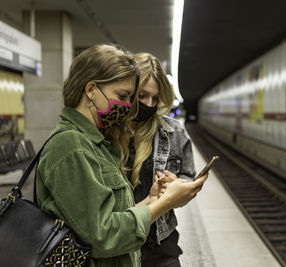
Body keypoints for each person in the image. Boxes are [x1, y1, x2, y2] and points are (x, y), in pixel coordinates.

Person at [35, 44, 208, 267]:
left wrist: (152, 199)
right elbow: (103, 237)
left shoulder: (92, 142)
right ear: (91, 90)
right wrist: (164, 204)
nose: (128, 106)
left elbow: (111, 217)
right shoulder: (73, 145)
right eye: (124, 96)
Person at [126, 52, 195, 267]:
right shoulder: (108, 133)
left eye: (155, 98)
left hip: (161, 245)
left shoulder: (173, 131)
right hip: (121, 248)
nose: (149, 104)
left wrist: (177, 184)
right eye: (142, 96)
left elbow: (187, 178)